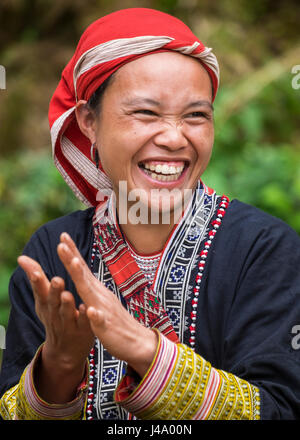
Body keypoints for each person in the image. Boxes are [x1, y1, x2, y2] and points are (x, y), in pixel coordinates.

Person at [0, 8, 300, 421]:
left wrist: (144, 348)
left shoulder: (264, 250)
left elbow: (284, 410)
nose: (175, 138)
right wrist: (61, 365)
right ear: (89, 120)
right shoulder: (51, 254)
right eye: (146, 113)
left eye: (196, 115)